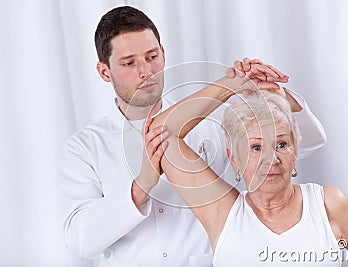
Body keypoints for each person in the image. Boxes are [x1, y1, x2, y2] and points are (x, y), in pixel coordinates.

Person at [59, 5, 326, 267]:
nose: (145, 72)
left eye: (152, 57)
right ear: (104, 71)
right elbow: (80, 240)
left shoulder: (211, 123)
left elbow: (309, 143)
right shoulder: (84, 147)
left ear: (163, 53)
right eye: (129, 63)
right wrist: (140, 187)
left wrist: (278, 95)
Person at [151, 65, 348, 266]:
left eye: (281, 144)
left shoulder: (328, 204)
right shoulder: (223, 212)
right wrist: (231, 84)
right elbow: (159, 132)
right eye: (256, 147)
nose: (271, 158)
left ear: (295, 152)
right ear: (234, 159)